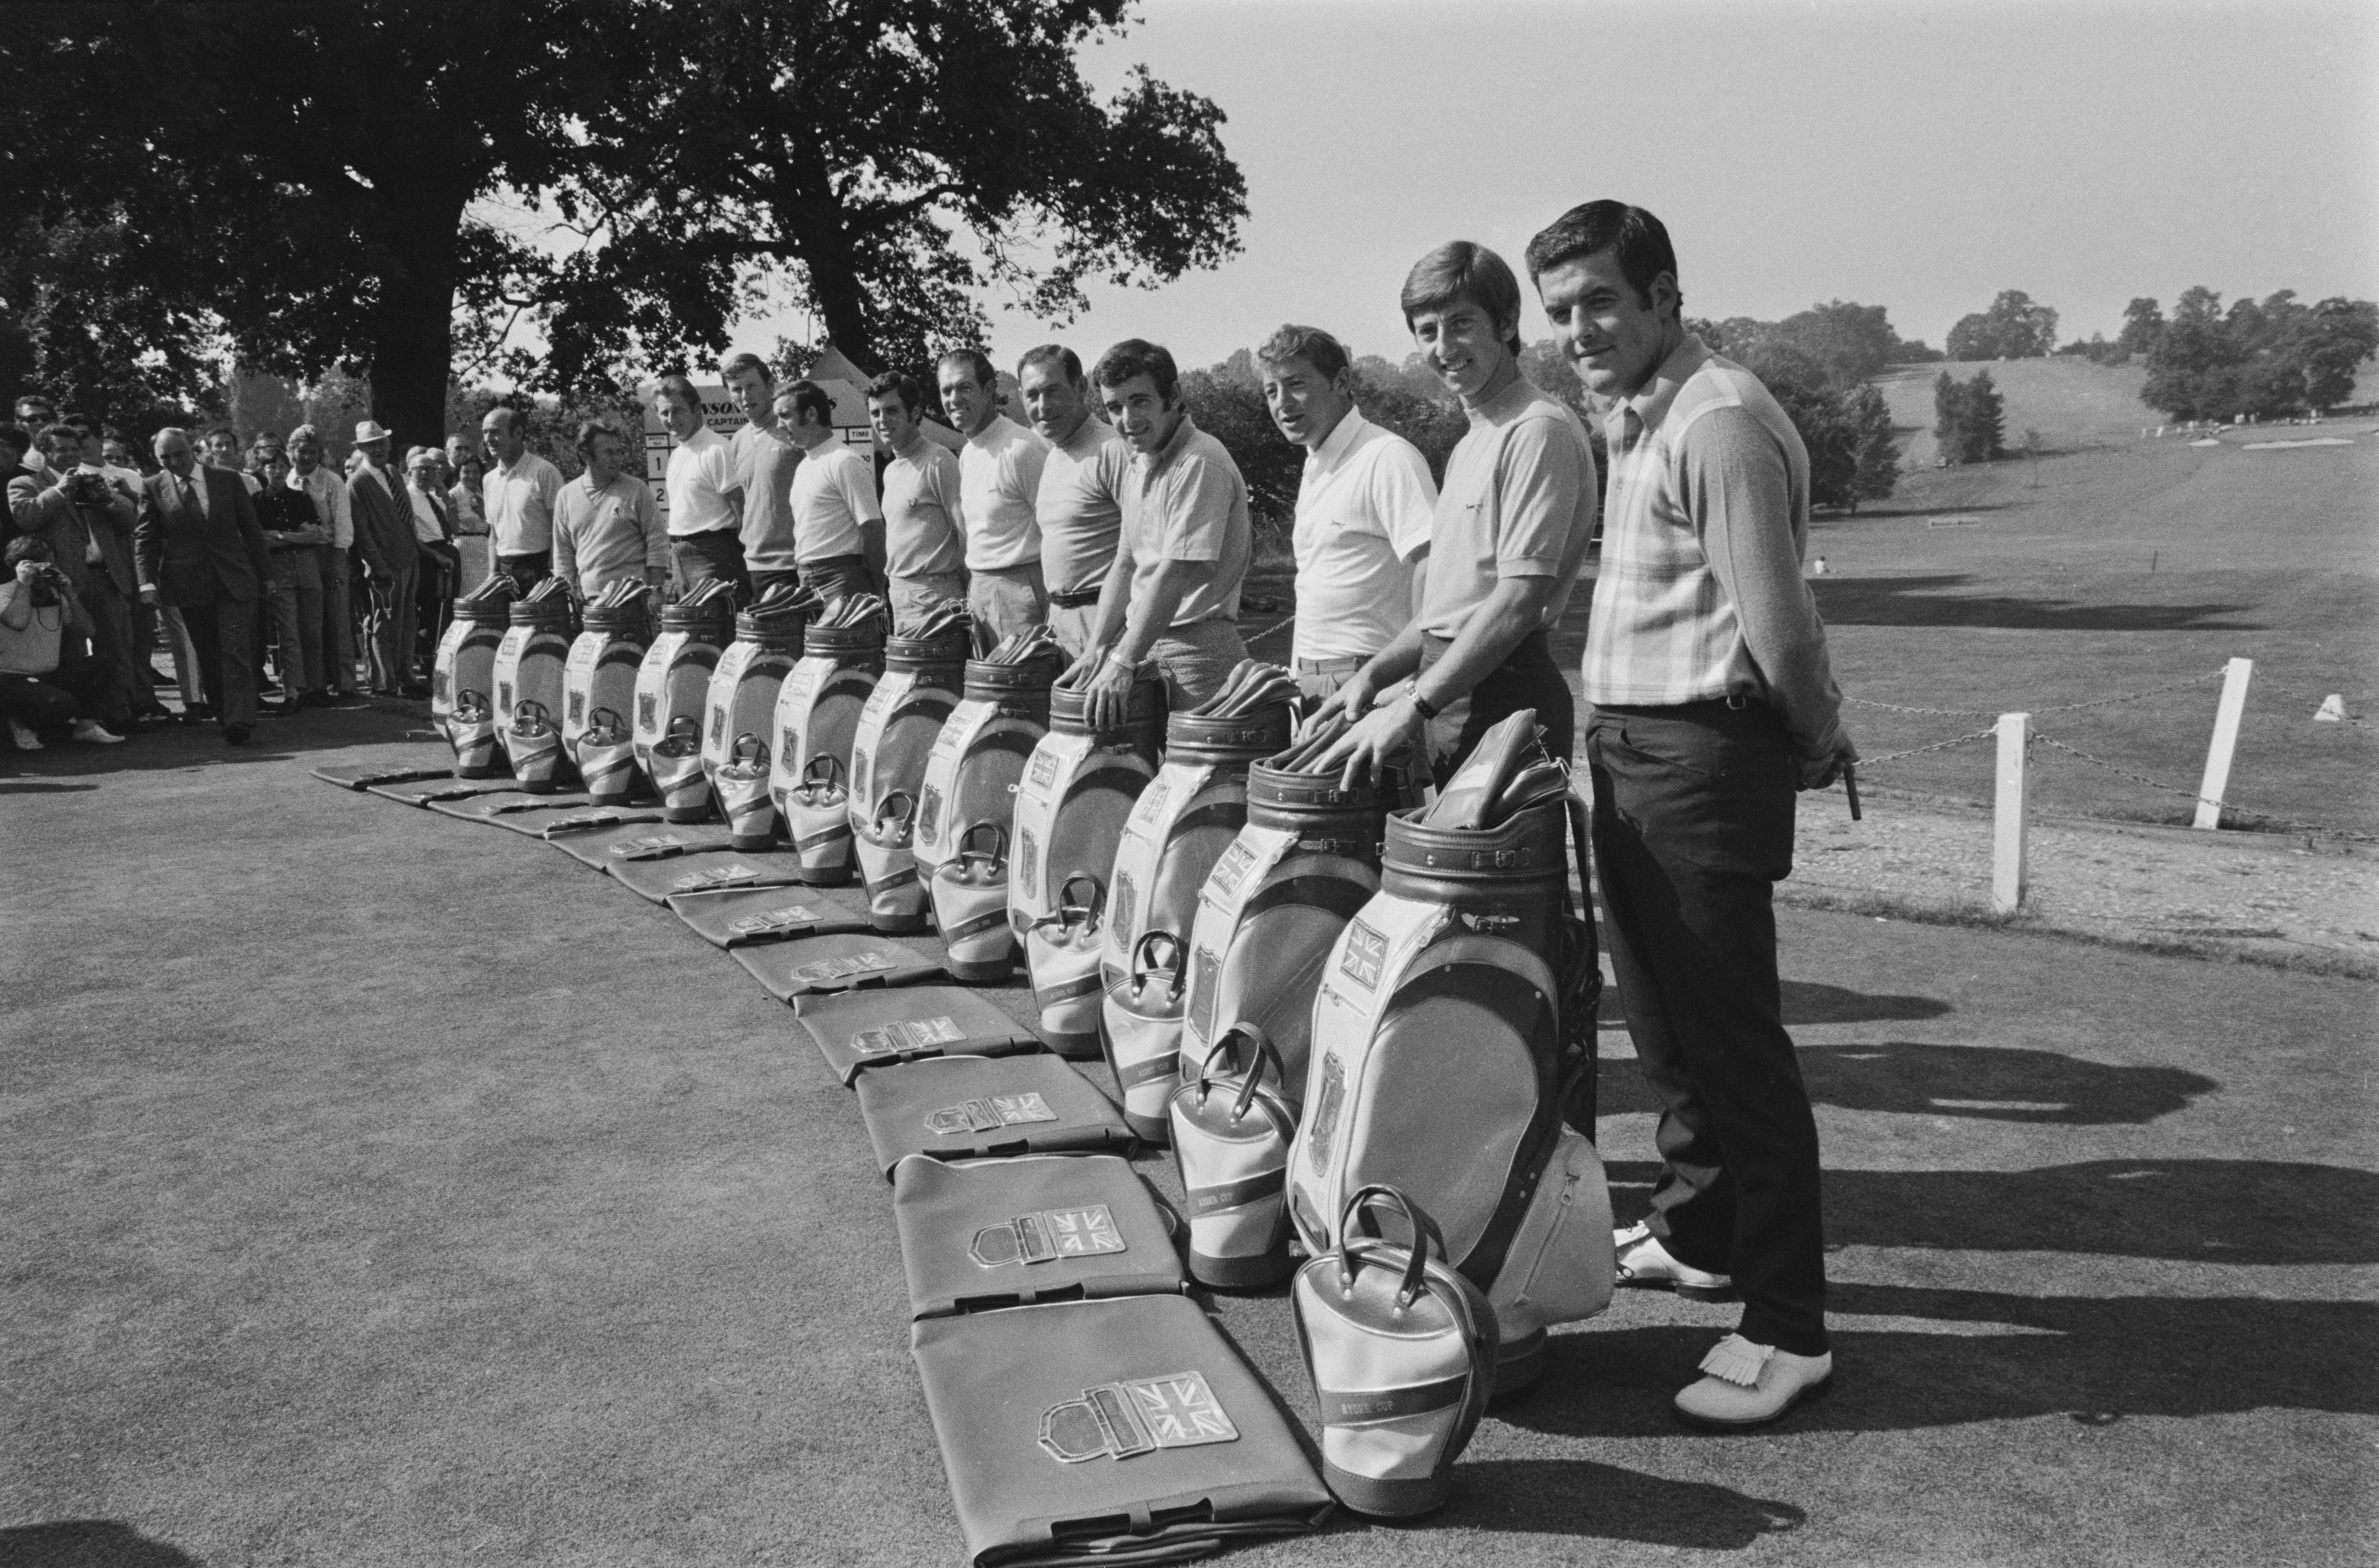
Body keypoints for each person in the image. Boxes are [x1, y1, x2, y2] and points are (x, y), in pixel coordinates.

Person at [1531, 199, 1856, 1428]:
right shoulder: (1645, 412)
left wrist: (1819, 735)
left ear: (1665, 294)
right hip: (1632, 748)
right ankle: (1703, 1230)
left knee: (1733, 1046)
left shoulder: (1715, 419)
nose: (1579, 328)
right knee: (1662, 1026)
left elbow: (1776, 627)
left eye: (1601, 301)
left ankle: (1787, 1326)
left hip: (1699, 755)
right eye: (1562, 311)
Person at [1311, 241, 1595, 788]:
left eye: (1461, 323)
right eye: (1427, 331)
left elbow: (1516, 603)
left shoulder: (1536, 429)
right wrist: (1373, 676)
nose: (1444, 347)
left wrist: (1413, 704)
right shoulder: (1474, 438)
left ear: (1508, 321)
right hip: (1453, 692)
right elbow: (1447, 611)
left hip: (1508, 696)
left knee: (1490, 874)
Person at [1065, 339, 1253, 722]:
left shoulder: (1200, 461)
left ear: (1174, 396)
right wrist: (1097, 648)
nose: (1127, 420)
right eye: (1114, 407)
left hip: (1198, 651)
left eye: (1140, 401)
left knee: (1199, 776)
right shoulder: (1140, 462)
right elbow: (1125, 562)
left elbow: (1175, 572)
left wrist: (1122, 659)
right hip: (1145, 644)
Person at [1256, 324, 1437, 704]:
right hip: (1311, 681)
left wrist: (1414, 685)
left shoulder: (1387, 457)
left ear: (1340, 382)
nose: (1282, 403)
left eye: (1296, 384)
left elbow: (1433, 568)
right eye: (1272, 391)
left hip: (1372, 681)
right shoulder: (1316, 465)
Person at [135, 428, 272, 744]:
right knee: (208, 652)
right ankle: (226, 715)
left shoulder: (227, 479)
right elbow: (146, 539)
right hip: (187, 583)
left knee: (236, 647)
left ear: (193, 449)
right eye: (164, 457)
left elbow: (251, 529)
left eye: (179, 454)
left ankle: (240, 718)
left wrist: (267, 575)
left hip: (234, 577)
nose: (173, 462)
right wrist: (146, 583)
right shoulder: (154, 487)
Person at [22, 423, 149, 732]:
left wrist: (107, 498)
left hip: (106, 575)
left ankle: (120, 714)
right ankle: (79, 721)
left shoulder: (96, 480)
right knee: (74, 654)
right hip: (63, 582)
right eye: (61, 449)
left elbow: (130, 521)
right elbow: (26, 516)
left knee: (117, 648)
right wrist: (59, 490)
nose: (69, 455)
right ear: (45, 453)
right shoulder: (29, 483)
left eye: (74, 449)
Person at [1020, 345, 1129, 658]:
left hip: (1105, 623)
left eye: (1053, 391)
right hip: (1059, 621)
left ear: (1081, 387)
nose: (1043, 406)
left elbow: (1144, 551)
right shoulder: (1053, 455)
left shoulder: (1113, 450)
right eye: (1032, 395)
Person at [941, 348, 1049, 641]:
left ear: (989, 390)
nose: (954, 399)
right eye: (946, 390)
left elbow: (1056, 534)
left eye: (964, 387)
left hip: (1021, 592)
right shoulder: (967, 454)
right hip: (980, 591)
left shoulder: (1021, 449)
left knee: (1023, 687)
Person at [0, 536, 125, 748]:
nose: (43, 575)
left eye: (48, 567)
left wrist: (70, 593)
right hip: (10, 680)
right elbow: (18, 622)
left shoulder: (55, 594)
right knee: (63, 704)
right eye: (37, 568)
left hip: (46, 676)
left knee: (104, 664)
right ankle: (18, 722)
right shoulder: (5, 592)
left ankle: (85, 728)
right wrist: (24, 584)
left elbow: (88, 630)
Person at [868, 371, 968, 630]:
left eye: (891, 411)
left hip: (936, 598)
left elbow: (966, 535)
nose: (882, 421)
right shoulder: (891, 471)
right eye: (875, 413)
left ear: (915, 413)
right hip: (899, 596)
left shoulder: (940, 461)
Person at [781, 379, 883, 606]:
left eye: (785, 415)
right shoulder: (804, 466)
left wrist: (876, 591)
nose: (779, 425)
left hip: (842, 578)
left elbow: (873, 529)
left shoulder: (844, 461)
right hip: (807, 578)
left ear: (811, 414)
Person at [345, 420, 423, 697]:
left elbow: (407, 516)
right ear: (361, 449)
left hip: (408, 556)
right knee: (384, 621)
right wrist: (377, 565)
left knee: (406, 620)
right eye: (370, 445)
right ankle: (385, 680)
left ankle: (406, 675)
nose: (378, 449)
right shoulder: (357, 483)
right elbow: (362, 532)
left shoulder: (392, 472)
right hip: (385, 563)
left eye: (381, 443)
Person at [551, 419, 666, 603]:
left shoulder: (637, 489)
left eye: (619, 452)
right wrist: (568, 599)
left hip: (634, 599)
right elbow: (563, 555)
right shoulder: (566, 496)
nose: (617, 458)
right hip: (590, 603)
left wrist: (656, 590)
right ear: (586, 456)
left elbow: (657, 541)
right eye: (609, 453)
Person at [251, 438, 330, 708]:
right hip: (279, 568)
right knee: (288, 632)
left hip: (307, 567)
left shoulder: (301, 498)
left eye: (282, 466)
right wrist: (297, 536)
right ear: (263, 470)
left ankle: (316, 687)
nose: (277, 471)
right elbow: (260, 541)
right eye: (271, 467)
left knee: (312, 629)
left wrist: (281, 534)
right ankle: (292, 691)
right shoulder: (257, 502)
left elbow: (317, 535)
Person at [654, 373, 745, 598]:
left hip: (714, 557)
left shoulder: (718, 450)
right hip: (679, 558)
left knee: (719, 630)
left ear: (696, 409)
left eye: (678, 410)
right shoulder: (676, 456)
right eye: (664, 412)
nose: (671, 419)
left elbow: (743, 514)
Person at [722, 352, 803, 600]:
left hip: (793, 565)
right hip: (752, 567)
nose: (745, 397)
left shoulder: (793, 432)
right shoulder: (737, 440)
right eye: (737, 390)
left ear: (770, 386)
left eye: (752, 386)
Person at [287, 425, 358, 700]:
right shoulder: (287, 479)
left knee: (338, 617)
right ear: (291, 452)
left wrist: (339, 560)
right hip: (299, 555)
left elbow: (343, 523)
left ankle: (346, 682)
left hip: (329, 552)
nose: (306, 458)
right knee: (309, 621)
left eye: (312, 452)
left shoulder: (332, 481)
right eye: (301, 451)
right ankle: (314, 683)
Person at [478, 406, 562, 592]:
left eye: (495, 432)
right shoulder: (489, 480)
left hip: (540, 568)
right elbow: (494, 534)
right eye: (485, 433)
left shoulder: (544, 472)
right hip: (504, 571)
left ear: (518, 433)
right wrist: (493, 574)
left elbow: (560, 528)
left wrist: (551, 571)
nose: (488, 440)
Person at [403, 445, 461, 659]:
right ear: (410, 472)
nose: (427, 473)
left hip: (448, 554)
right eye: (421, 469)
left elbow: (455, 528)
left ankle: (441, 658)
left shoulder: (435, 498)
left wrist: (446, 496)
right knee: (432, 613)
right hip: (430, 558)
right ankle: (427, 660)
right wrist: (436, 556)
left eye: (431, 469)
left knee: (447, 612)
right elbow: (411, 536)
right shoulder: (407, 496)